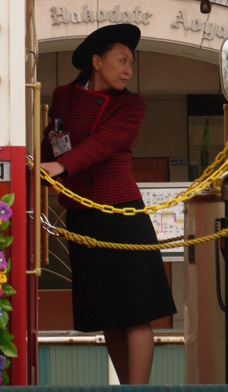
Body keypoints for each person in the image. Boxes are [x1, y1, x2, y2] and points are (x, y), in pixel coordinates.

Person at [41, 22, 176, 385]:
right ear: (97, 62)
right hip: (82, 217)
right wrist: (39, 163)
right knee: (108, 317)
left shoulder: (131, 105)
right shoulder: (63, 95)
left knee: (136, 313)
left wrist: (60, 165)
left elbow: (101, 144)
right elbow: (53, 140)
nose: (128, 69)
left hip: (122, 214)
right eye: (122, 60)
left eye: (131, 62)